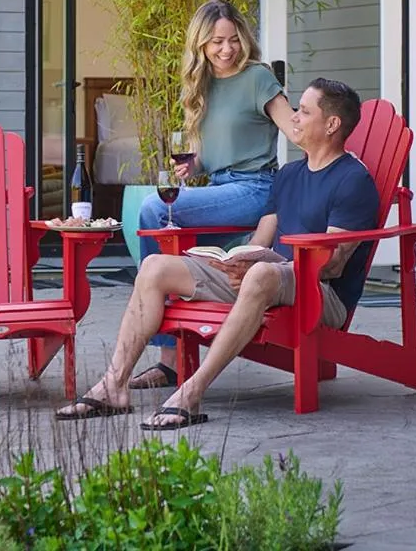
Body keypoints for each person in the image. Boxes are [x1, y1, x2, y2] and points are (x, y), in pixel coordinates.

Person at [57, 79, 380, 429]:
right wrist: (237, 259)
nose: (295, 119)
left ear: (332, 124)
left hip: (320, 295)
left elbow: (332, 263)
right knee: (154, 267)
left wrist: (266, 265)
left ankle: (192, 391)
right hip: (273, 278)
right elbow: (263, 237)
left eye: (304, 111)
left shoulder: (352, 180)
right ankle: (114, 386)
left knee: (261, 274)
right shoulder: (289, 175)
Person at [129, 0, 295, 391]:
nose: (226, 49)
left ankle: (168, 355)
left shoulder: (257, 78)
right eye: (217, 42)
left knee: (155, 210)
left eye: (233, 40)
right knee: (165, 232)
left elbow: (295, 130)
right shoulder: (202, 83)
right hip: (222, 187)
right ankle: (174, 350)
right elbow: (217, 153)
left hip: (256, 189)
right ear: (201, 45)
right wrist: (195, 166)